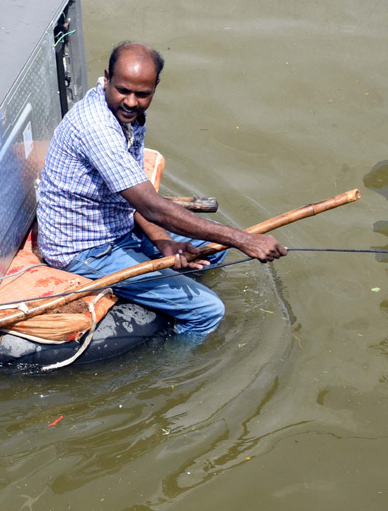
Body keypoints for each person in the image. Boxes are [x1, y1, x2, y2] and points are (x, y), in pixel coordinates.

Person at [35, 41, 287, 338]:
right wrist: (244, 239)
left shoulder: (129, 118)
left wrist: (163, 242)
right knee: (208, 312)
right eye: (123, 90)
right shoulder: (97, 128)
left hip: (118, 225)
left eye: (142, 94)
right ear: (107, 77)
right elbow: (152, 206)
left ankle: (173, 295)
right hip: (85, 248)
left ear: (155, 87)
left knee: (213, 252)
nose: (131, 102)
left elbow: (132, 201)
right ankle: (175, 371)